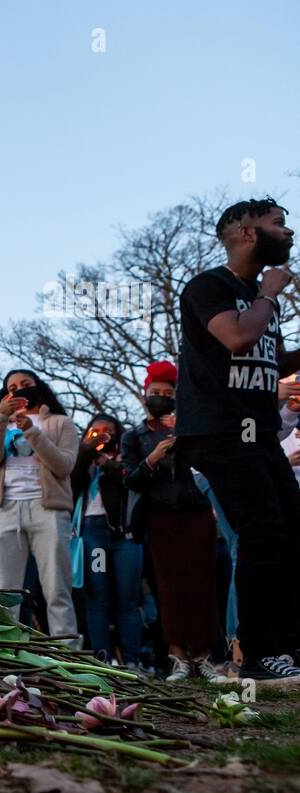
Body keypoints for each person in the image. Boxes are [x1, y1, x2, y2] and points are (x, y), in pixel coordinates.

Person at [175, 197, 300, 682]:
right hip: (219, 431)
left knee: (290, 529)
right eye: (278, 223)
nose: (289, 232)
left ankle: (285, 646)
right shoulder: (211, 286)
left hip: (260, 434)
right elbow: (237, 339)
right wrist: (269, 294)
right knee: (262, 531)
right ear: (247, 233)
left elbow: (273, 358)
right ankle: (259, 653)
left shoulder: (256, 298)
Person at [122, 361, 220, 681]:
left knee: (202, 583)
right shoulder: (134, 436)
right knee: (168, 586)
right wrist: (154, 458)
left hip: (197, 512)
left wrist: (186, 435)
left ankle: (204, 657)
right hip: (159, 517)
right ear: (144, 394)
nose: (161, 397)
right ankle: (177, 657)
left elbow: (210, 464)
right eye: (155, 392)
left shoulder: (189, 426)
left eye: (168, 392)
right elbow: (132, 480)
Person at [0, 369, 80, 640]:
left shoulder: (60, 423)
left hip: (47, 508)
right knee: (5, 589)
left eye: (26, 384)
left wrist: (33, 432)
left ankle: (66, 649)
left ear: (38, 387)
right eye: (12, 387)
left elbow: (64, 465)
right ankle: (4, 649)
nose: (19, 389)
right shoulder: (0, 421)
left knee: (56, 586)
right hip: (4, 507)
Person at [70, 413, 142, 666]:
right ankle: (102, 657)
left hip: (125, 535)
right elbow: (70, 483)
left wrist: (111, 464)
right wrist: (87, 452)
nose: (102, 434)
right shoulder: (82, 459)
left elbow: (134, 481)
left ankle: (132, 660)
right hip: (93, 532)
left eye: (108, 430)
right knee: (97, 596)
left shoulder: (129, 456)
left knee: (127, 598)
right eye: (96, 429)